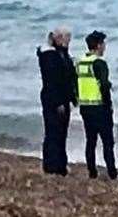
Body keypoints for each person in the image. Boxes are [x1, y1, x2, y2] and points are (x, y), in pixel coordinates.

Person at [76, 30, 118, 180]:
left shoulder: (80, 62)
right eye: (103, 44)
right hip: (100, 107)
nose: (104, 47)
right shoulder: (99, 63)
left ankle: (92, 172)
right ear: (99, 45)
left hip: (85, 106)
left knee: (91, 141)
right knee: (107, 142)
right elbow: (104, 85)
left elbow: (76, 84)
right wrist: (109, 105)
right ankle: (112, 173)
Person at [37, 27, 77, 176]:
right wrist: (58, 102)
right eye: (67, 38)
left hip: (62, 98)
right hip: (53, 99)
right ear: (58, 38)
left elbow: (68, 76)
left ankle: (60, 164)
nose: (69, 41)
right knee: (53, 132)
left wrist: (73, 98)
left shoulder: (60, 53)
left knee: (61, 132)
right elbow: (52, 81)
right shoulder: (49, 56)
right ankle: (51, 165)